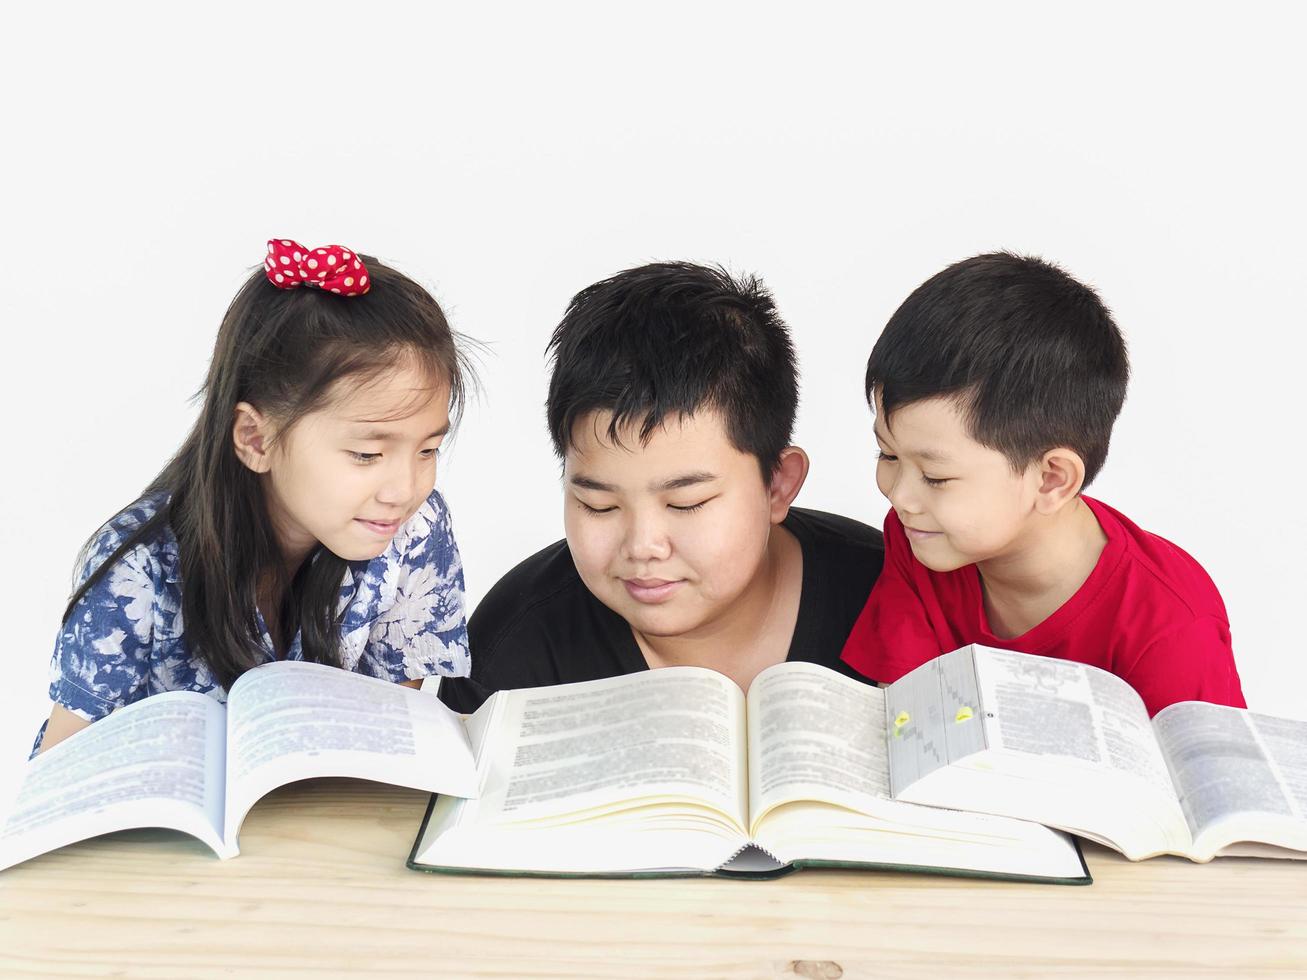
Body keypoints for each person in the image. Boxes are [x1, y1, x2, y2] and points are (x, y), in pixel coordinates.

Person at [35, 238, 474, 754]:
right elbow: (57, 781)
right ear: (256, 439)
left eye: (428, 450)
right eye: (366, 455)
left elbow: (392, 743)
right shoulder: (137, 570)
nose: (406, 489)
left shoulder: (414, 531)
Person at [440, 262, 884, 713]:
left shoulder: (890, 597)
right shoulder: (514, 657)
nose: (642, 546)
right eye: (599, 505)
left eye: (685, 503)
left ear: (777, 484)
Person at [840, 252, 1245, 716]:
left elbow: (1204, 784)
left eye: (936, 477)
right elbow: (905, 725)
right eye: (888, 454)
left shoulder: (1169, 626)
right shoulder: (921, 540)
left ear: (1051, 479)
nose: (900, 495)